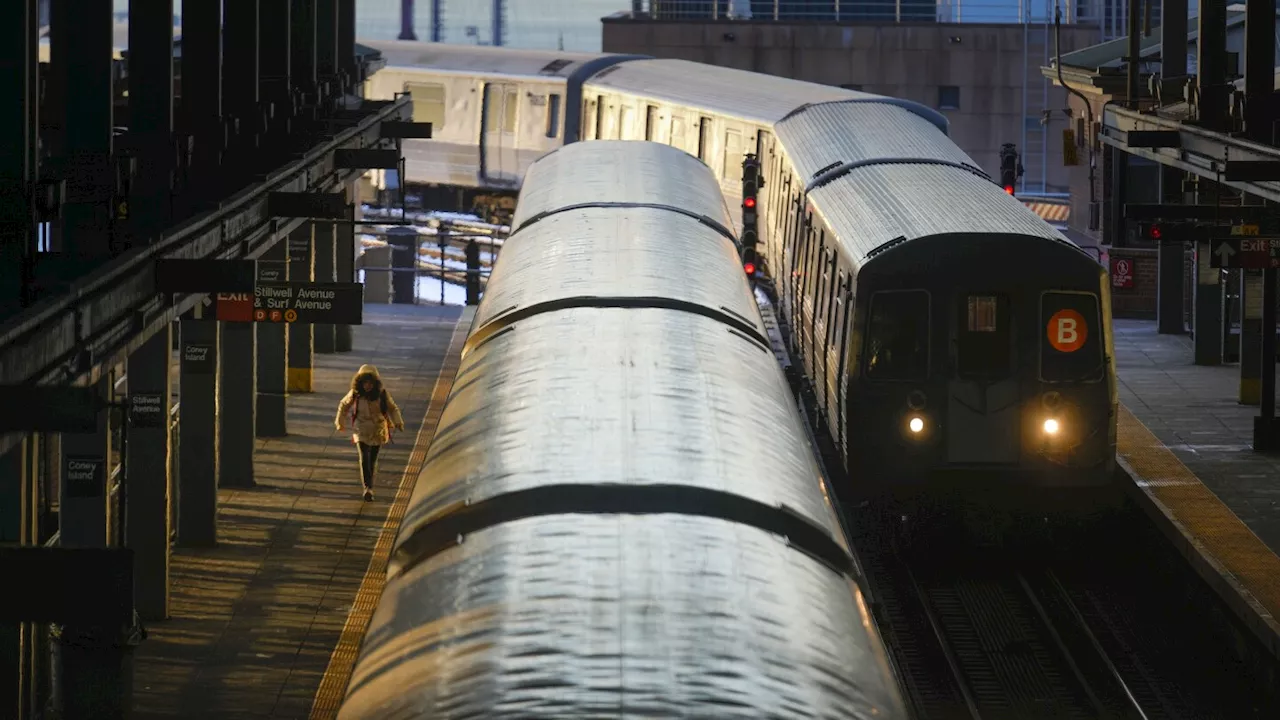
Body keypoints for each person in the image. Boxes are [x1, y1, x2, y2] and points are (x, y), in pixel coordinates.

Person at [336, 364, 405, 501]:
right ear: (360, 383)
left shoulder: (382, 395)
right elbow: (343, 405)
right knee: (364, 457)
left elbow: (392, 409)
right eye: (364, 383)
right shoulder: (355, 394)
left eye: (370, 383)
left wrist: (398, 422)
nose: (367, 386)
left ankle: (370, 487)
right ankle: (367, 487)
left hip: (377, 430)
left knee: (372, 459)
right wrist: (340, 422)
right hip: (360, 429)